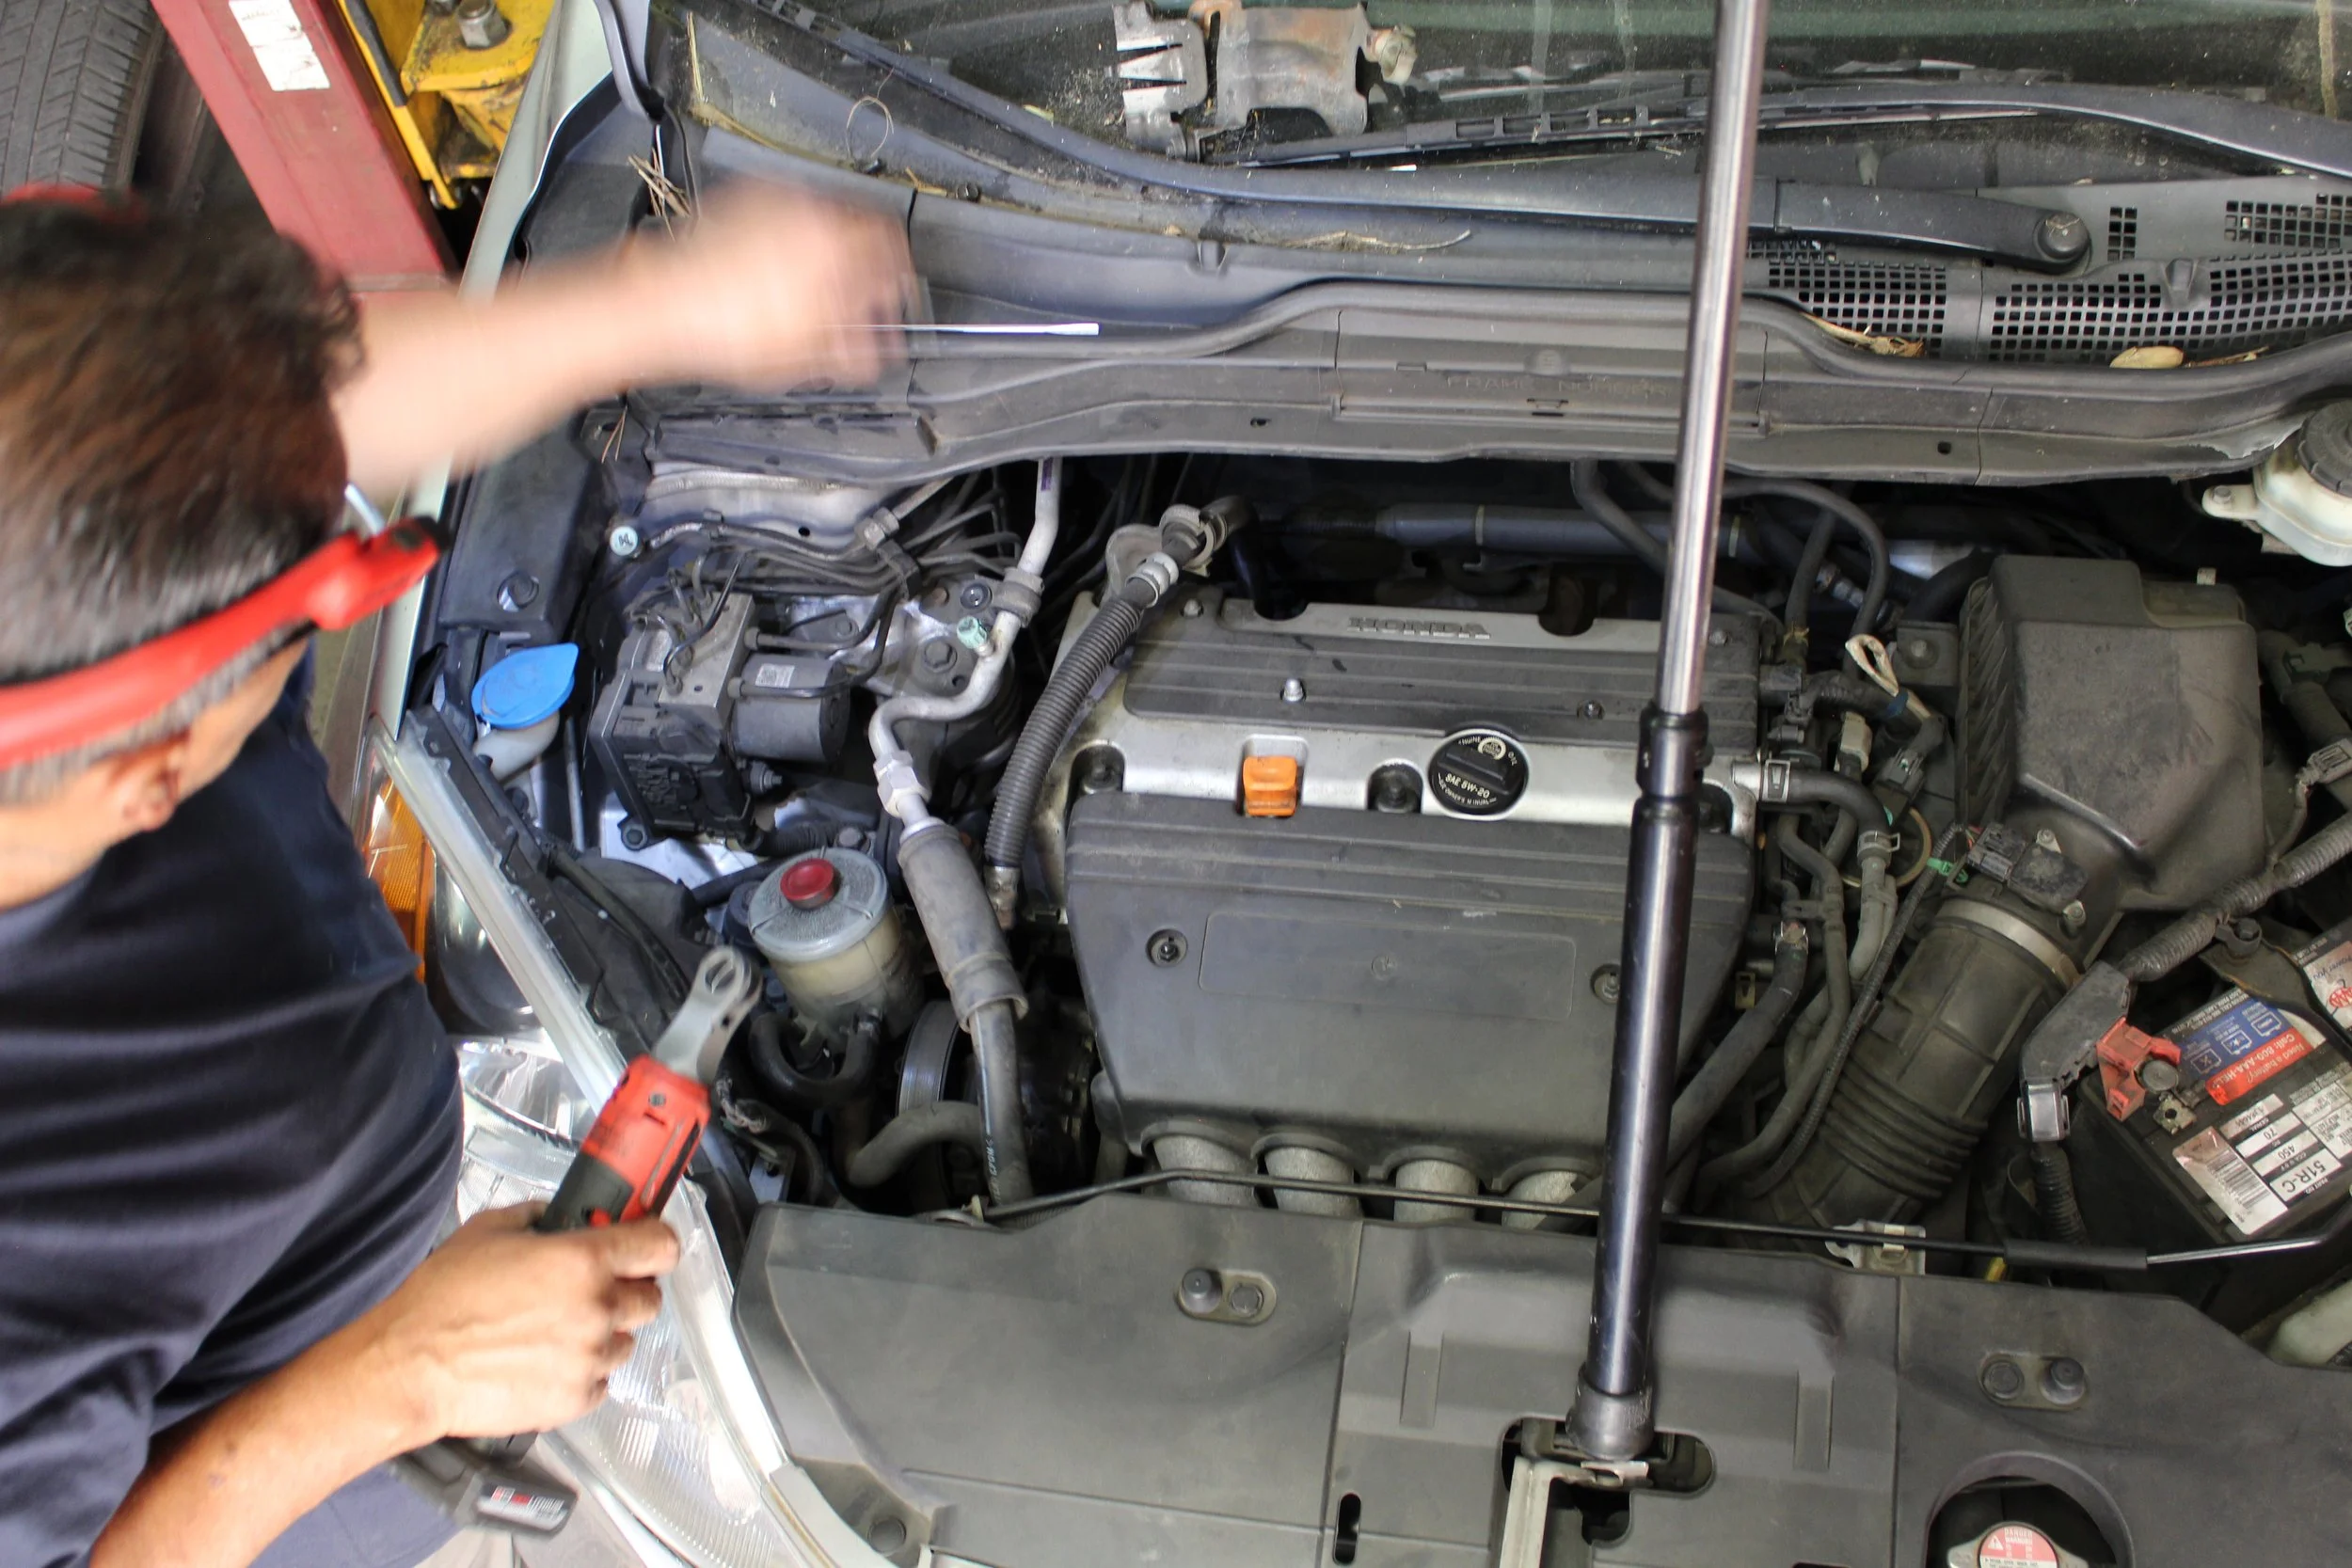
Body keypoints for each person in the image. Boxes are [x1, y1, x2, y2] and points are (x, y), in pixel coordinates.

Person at [0, 184, 912, 1568]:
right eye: (313, 584)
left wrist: (659, 303)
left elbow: (275, 433)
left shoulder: (69, 563)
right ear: (149, 776)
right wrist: (400, 1373)